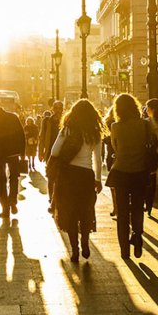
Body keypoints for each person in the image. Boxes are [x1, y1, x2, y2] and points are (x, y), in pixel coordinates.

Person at [50, 99, 104, 262]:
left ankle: (75, 250)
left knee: (70, 212)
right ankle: (85, 242)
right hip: (86, 176)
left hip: (68, 176)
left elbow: (54, 151)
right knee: (85, 211)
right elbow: (98, 159)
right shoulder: (94, 132)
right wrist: (98, 179)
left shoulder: (67, 129)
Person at [106, 93, 155, 259]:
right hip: (140, 172)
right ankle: (137, 236)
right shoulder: (144, 125)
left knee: (122, 211)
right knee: (137, 208)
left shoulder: (115, 127)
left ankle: (124, 250)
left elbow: (115, 148)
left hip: (121, 173)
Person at [0, 101, 26, 219]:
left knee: (1, 181)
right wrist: (22, 153)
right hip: (13, 154)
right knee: (14, 178)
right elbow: (21, 135)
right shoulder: (13, 117)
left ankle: (5, 208)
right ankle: (13, 201)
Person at [102, 107, 117, 218]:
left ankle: (116, 207)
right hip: (113, 156)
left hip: (112, 156)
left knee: (113, 185)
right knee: (114, 184)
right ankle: (117, 207)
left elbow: (104, 139)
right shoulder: (110, 124)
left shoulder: (108, 124)